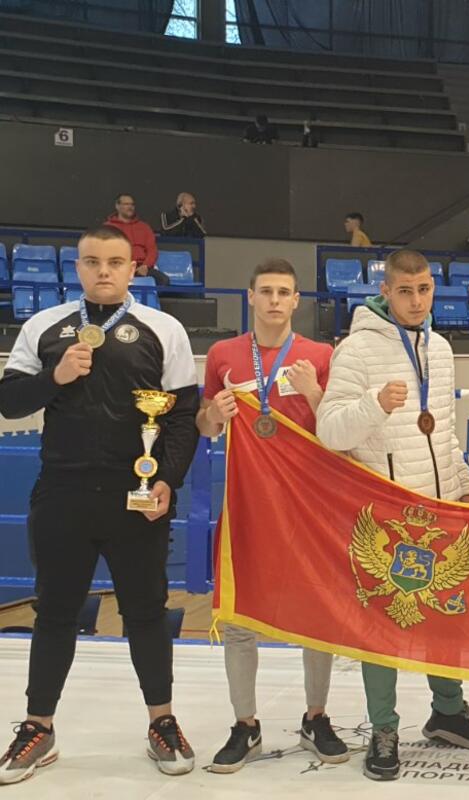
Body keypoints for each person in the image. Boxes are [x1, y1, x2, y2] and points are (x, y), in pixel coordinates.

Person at [0, 225, 200, 783]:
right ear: (78, 267)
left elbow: (182, 415)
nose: (104, 271)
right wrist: (55, 375)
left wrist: (167, 480)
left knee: (146, 611)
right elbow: (9, 402)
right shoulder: (44, 326)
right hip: (62, 492)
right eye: (92, 261)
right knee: (55, 611)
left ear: (133, 267)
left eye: (115, 261)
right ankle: (39, 727)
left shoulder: (163, 328)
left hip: (135, 495)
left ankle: (162, 721)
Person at [315, 249, 469, 781]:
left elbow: (442, 430)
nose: (417, 301)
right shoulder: (356, 348)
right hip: (385, 514)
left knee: (446, 614)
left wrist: (464, 483)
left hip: (438, 509)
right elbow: (330, 431)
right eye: (405, 291)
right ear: (385, 291)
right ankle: (383, 728)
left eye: (424, 290)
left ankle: (448, 713)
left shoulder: (439, 348)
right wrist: (374, 404)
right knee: (382, 627)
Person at [197, 258, 347, 773]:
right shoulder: (223, 354)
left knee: (318, 614)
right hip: (248, 503)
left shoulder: (320, 355)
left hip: (309, 505)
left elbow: (337, 430)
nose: (275, 300)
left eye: (284, 292)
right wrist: (214, 414)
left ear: (296, 300)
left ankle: (316, 716)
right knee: (240, 617)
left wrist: (313, 392)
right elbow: (205, 426)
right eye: (267, 291)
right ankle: (246, 725)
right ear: (251, 296)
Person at [107, 194, 169, 286]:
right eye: (126, 204)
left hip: (141, 268)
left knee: (163, 281)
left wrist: (146, 266)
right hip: (118, 267)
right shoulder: (108, 228)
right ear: (117, 206)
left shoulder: (144, 227)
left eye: (132, 204)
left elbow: (152, 250)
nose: (130, 207)